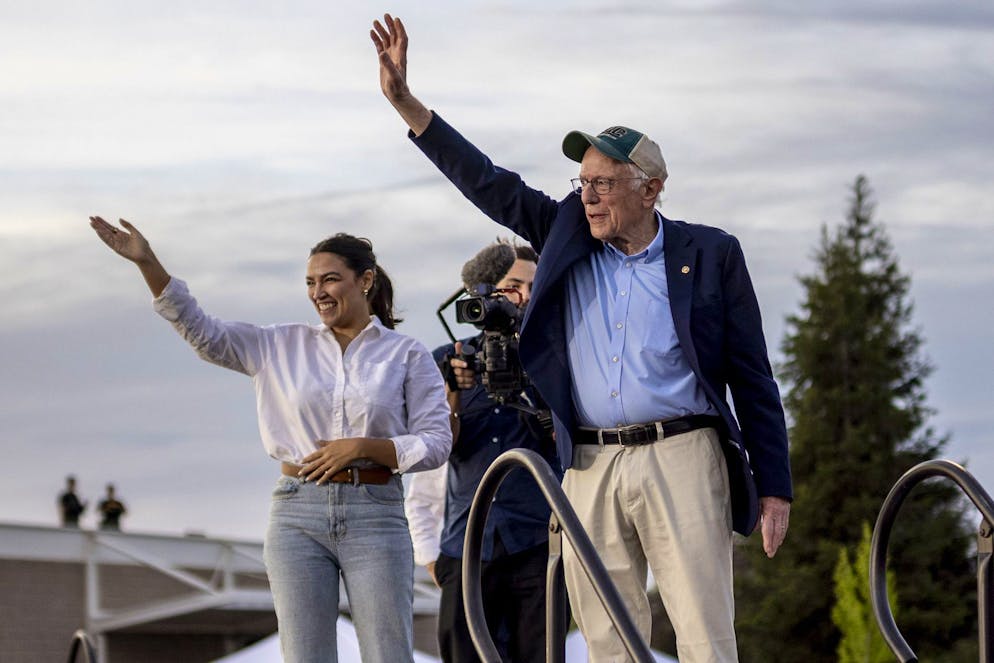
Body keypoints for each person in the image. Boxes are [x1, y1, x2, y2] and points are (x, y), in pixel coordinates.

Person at [371, 16, 793, 662]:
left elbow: (753, 375)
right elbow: (488, 181)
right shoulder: (567, 233)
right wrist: (408, 105)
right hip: (589, 461)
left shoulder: (711, 254)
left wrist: (774, 485)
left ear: (650, 189)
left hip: (681, 454)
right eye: (583, 183)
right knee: (606, 640)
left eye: (603, 183)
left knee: (703, 635)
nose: (588, 196)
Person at [88, 216, 451, 663]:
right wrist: (148, 264)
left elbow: (437, 441)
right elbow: (203, 332)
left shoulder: (406, 353)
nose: (318, 292)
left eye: (330, 279)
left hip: (375, 513)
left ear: (365, 280)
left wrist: (364, 447)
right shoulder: (278, 344)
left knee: (388, 655)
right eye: (310, 282)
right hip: (297, 514)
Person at [405, 240, 566, 662]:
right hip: (467, 547)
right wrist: (453, 391)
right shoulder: (449, 359)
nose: (523, 297)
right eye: (513, 286)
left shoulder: (557, 358)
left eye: (532, 287)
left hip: (539, 545)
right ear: (486, 291)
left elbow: (569, 443)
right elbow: (434, 451)